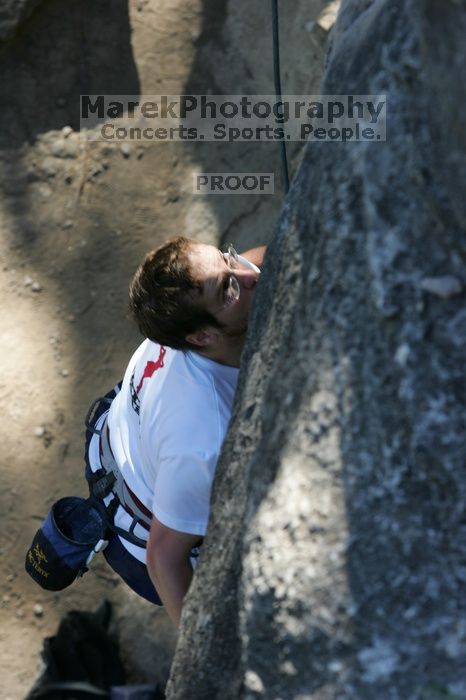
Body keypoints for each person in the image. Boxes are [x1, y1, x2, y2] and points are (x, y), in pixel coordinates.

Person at [84, 236, 265, 626]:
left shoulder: (184, 315)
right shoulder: (206, 437)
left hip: (118, 440)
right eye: (229, 288)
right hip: (143, 532)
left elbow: (247, 269)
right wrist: (201, 663)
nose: (248, 276)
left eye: (226, 259)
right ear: (201, 337)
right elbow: (163, 557)